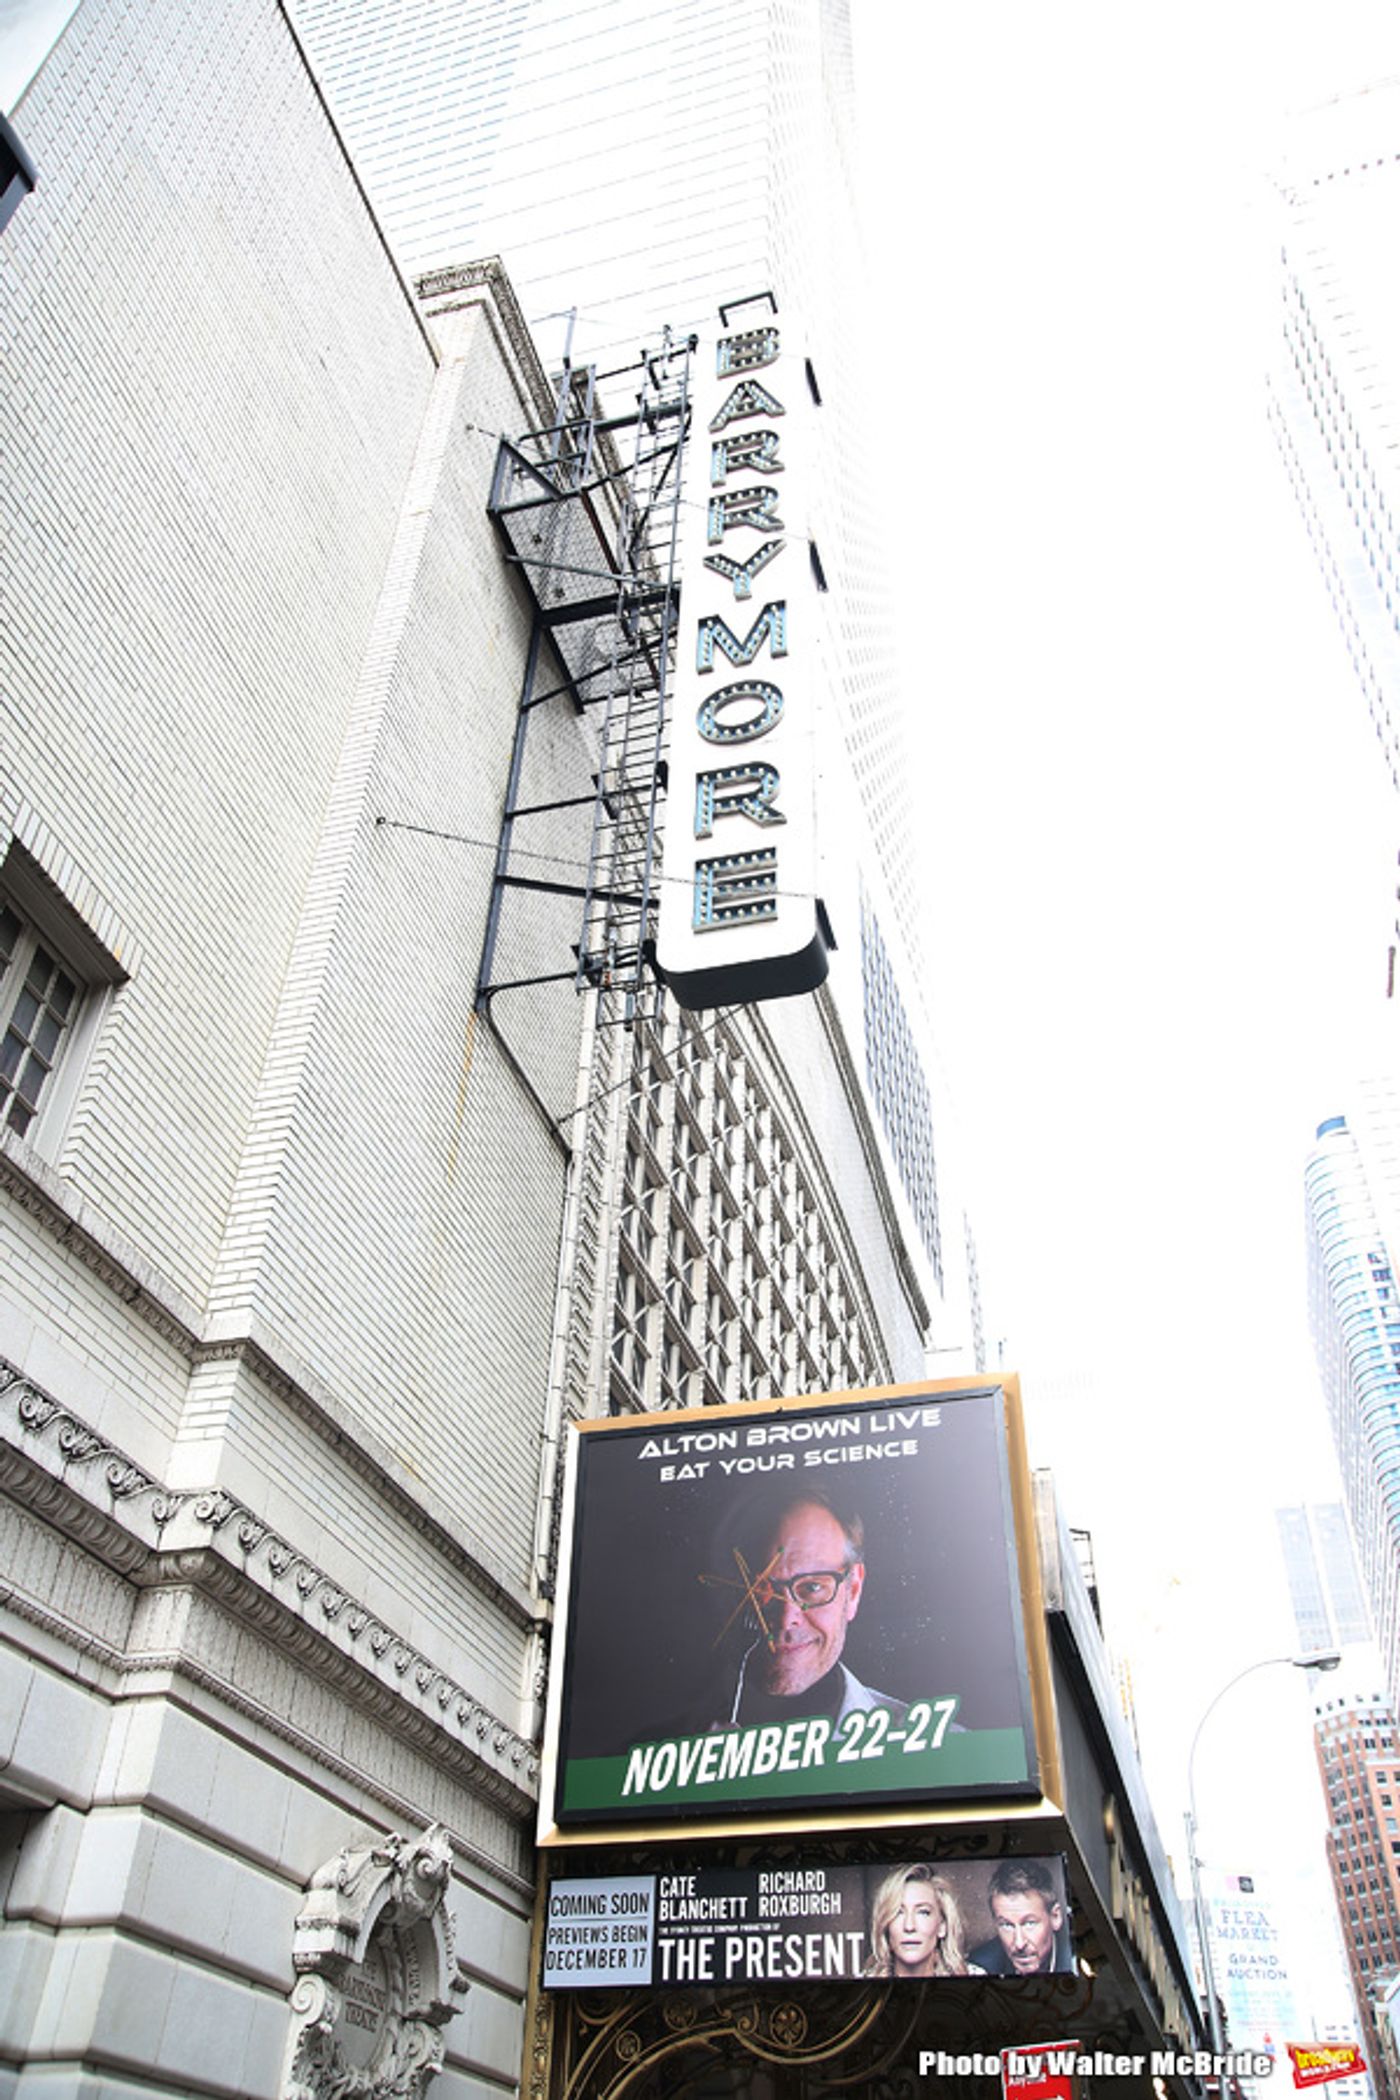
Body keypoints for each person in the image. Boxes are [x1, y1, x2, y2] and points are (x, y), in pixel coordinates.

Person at [717, 1490, 905, 1729]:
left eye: (813, 1586)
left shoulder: (934, 1749)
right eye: (759, 1589)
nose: (787, 1619)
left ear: (854, 1590)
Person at [864, 1865, 986, 1978]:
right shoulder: (863, 1984)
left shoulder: (974, 1977)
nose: (909, 1926)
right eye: (898, 1913)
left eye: (923, 1912)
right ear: (885, 1926)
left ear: (942, 1926)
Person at [968, 1859, 1072, 1976]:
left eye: (1029, 1923)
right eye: (1006, 1925)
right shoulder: (981, 1968)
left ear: (1055, 1917)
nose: (1019, 1944)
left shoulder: (1074, 1962)